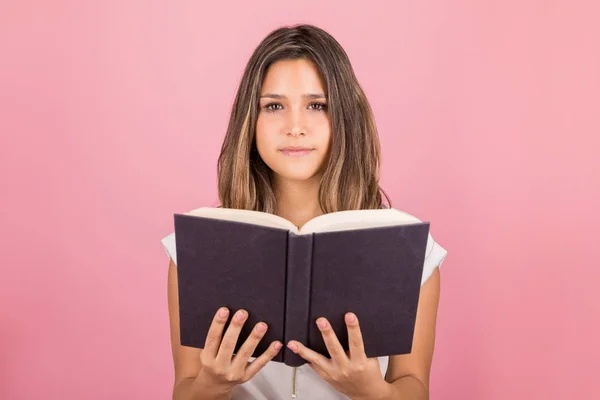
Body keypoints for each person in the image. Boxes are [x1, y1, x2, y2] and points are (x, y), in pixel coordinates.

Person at [161, 23, 448, 400]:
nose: (295, 127)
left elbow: (415, 387)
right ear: (251, 121)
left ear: (344, 117)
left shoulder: (411, 249)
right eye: (274, 105)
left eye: (317, 105)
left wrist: (370, 390)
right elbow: (184, 389)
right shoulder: (195, 247)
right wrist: (212, 384)